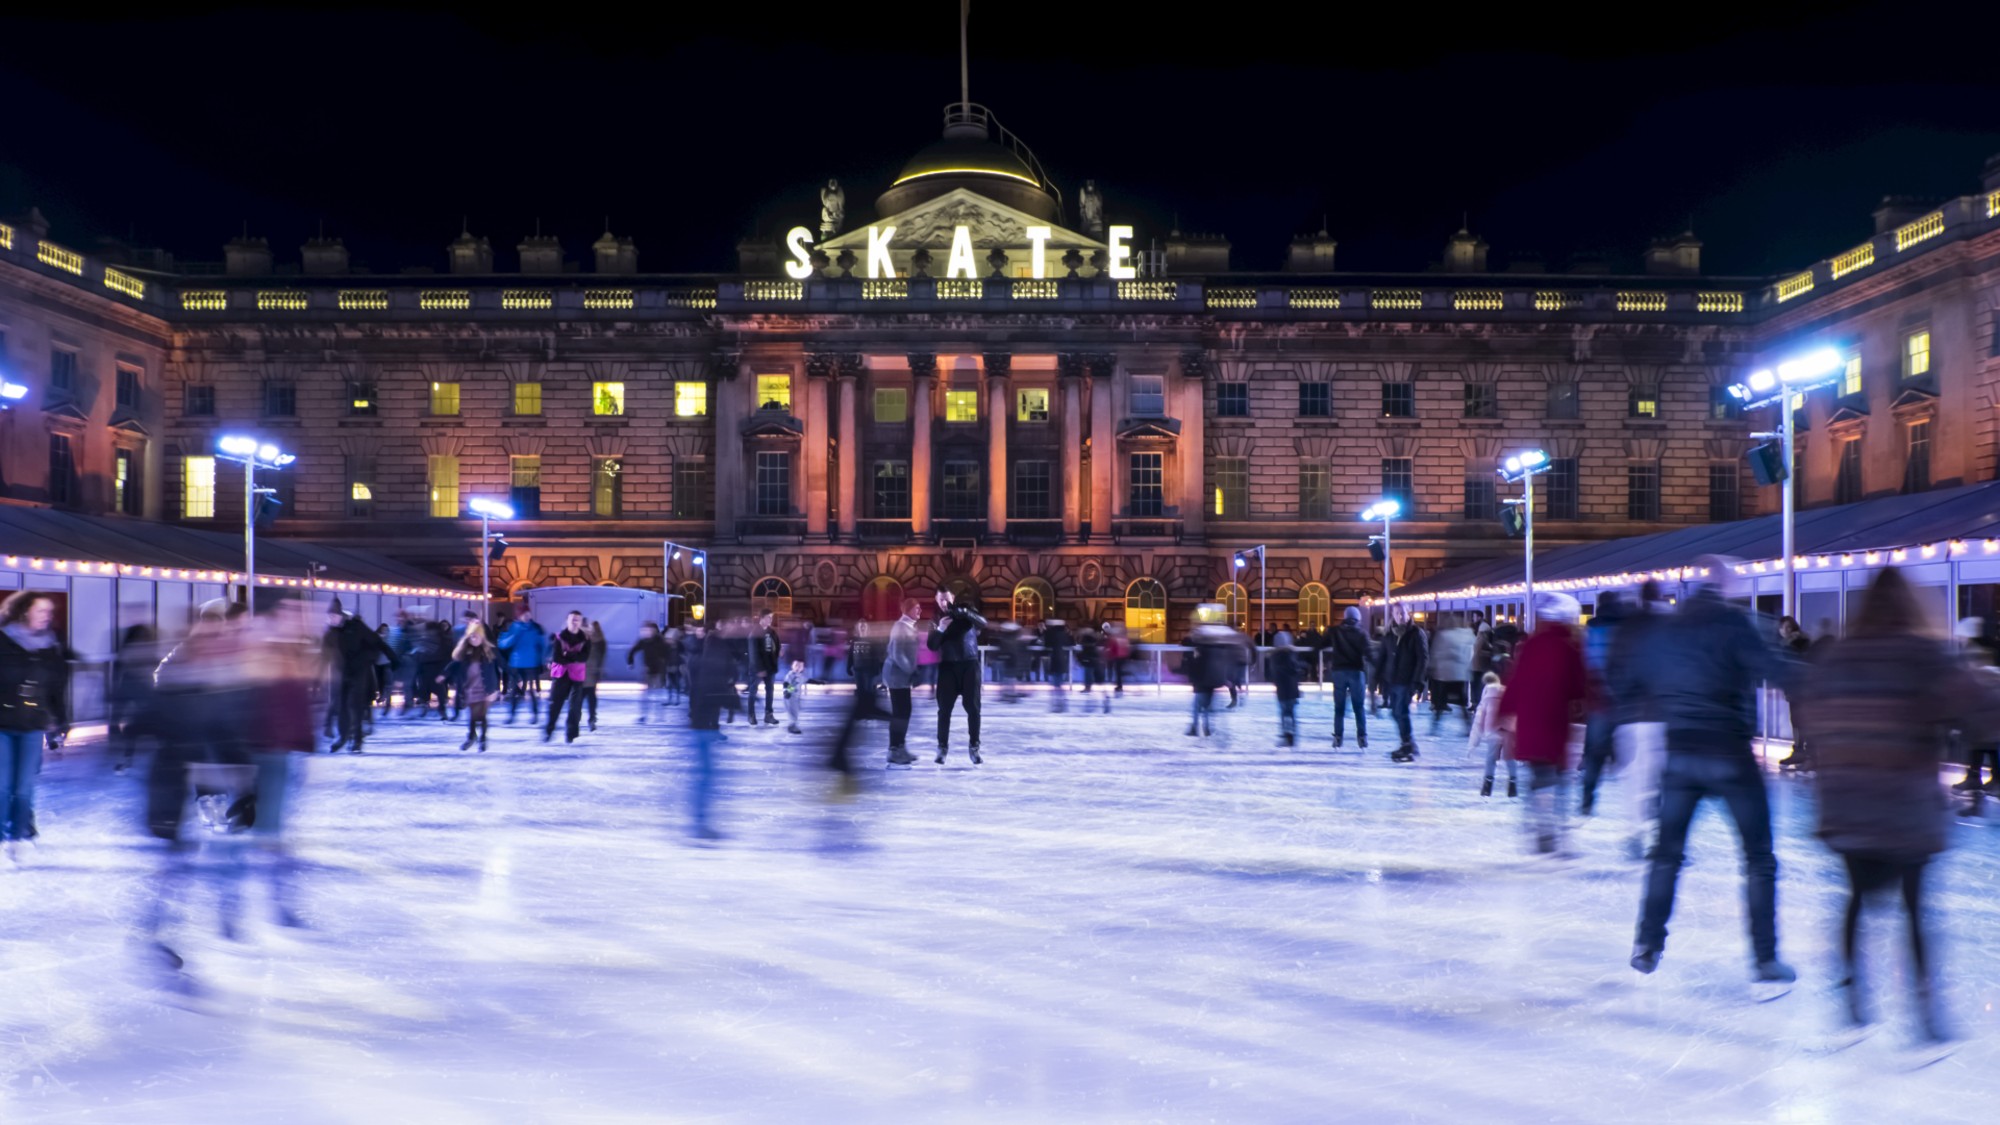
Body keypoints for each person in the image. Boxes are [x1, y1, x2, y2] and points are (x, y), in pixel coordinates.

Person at [1794, 568, 2000, 1050]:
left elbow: (1809, 712)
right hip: (1904, 807)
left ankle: (1851, 996)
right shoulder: (1923, 656)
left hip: (1846, 805)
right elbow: (1983, 716)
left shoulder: (1838, 657)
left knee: (1858, 898)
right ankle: (1925, 1013)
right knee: (1913, 907)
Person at [1629, 556, 1799, 994]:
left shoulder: (1667, 630)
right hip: (1727, 753)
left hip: (1680, 753)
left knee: (1666, 855)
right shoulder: (1733, 624)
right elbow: (1777, 671)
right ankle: (1764, 958)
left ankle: (1647, 944)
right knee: (1758, 858)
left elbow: (1636, 678)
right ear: (1724, 587)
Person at [1497, 594, 1589, 854]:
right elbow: (1577, 687)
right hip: (1556, 723)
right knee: (1559, 780)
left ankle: (1538, 827)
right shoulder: (1570, 647)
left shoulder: (1531, 645)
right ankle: (1554, 830)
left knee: (1539, 776)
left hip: (1531, 723)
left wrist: (1504, 712)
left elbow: (1515, 682)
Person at [1606, 580, 1672, 860]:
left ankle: (1636, 832)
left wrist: (1624, 698)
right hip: (1665, 715)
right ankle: (1661, 836)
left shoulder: (1627, 629)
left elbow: (1612, 670)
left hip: (1631, 717)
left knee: (1636, 778)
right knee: (1664, 778)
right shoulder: (1672, 627)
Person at [0, 592, 65, 859]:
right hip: (2, 723)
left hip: (33, 724)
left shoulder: (50, 647)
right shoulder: (3, 641)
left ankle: (18, 836)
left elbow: (57, 688)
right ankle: (3, 836)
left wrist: (61, 720)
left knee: (24, 787)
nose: (46, 617)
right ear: (25, 612)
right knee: (2, 786)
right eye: (41, 611)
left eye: (49, 612)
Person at [1577, 592, 1629, 815]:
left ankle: (1588, 797)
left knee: (1594, 752)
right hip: (1625, 697)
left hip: (1599, 698)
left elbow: (1585, 663)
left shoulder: (1591, 630)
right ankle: (1638, 803)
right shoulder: (1626, 630)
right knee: (1629, 750)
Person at [324, 600, 395, 753]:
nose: (331, 620)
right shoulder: (330, 633)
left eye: (333, 616)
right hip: (340, 675)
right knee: (341, 708)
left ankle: (357, 740)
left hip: (358, 674)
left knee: (355, 707)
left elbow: (376, 643)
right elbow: (324, 655)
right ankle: (342, 738)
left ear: (340, 615)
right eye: (329, 617)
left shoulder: (356, 627)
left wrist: (370, 660)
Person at [929, 589, 987, 763]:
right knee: (944, 710)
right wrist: (941, 629)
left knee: (974, 709)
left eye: (946, 599)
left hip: (969, 665)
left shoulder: (966, 608)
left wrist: (966, 612)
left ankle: (974, 747)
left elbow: (983, 623)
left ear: (953, 597)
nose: (944, 603)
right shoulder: (935, 619)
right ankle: (942, 748)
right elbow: (932, 645)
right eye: (941, 600)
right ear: (936, 601)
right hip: (948, 668)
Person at [1185, 612, 1249, 737]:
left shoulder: (1203, 649)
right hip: (1209, 681)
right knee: (1204, 706)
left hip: (1203, 681)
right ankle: (1204, 727)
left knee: (1198, 706)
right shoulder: (1215, 648)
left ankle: (1198, 727)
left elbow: (1198, 663)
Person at [1377, 607, 1429, 761]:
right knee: (1395, 712)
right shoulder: (1389, 634)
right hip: (1391, 680)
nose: (1399, 616)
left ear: (1408, 614)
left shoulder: (1416, 633)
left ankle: (1407, 745)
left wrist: (1418, 681)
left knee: (1401, 712)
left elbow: (1423, 659)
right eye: (1396, 613)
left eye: (1402, 612)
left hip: (1406, 680)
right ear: (1392, 615)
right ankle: (1409, 743)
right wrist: (1378, 679)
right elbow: (1382, 657)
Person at [443, 622, 502, 751]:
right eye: (471, 636)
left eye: (476, 636)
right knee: (473, 715)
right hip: (470, 688)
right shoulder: (465, 651)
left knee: (481, 715)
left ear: (481, 636)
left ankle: (481, 738)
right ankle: (472, 736)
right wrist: (444, 674)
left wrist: (517, 678)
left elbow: (503, 664)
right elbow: (455, 664)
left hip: (488, 688)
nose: (474, 639)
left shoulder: (490, 650)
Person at [882, 598, 922, 765]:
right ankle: (894, 750)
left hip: (902, 675)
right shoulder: (900, 626)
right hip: (896, 676)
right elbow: (897, 653)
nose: (919, 611)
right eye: (916, 608)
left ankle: (900, 747)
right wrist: (912, 671)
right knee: (900, 713)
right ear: (908, 610)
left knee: (904, 713)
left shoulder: (909, 626)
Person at [543, 611, 591, 744]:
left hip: (577, 677)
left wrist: (568, 655)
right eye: (572, 619)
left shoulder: (585, 639)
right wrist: (574, 657)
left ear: (581, 622)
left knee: (575, 707)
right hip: (560, 675)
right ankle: (549, 730)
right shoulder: (559, 637)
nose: (575, 622)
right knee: (555, 704)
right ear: (567, 621)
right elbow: (557, 657)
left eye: (577, 620)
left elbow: (585, 657)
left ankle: (571, 734)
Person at [1325, 606, 1369, 749]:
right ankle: (1362, 737)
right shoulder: (1362, 633)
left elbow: (1321, 644)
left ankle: (1338, 737)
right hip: (1357, 672)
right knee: (1359, 707)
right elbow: (1369, 652)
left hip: (1339, 672)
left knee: (1339, 708)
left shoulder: (1335, 631)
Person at [498, 608, 548, 724]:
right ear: (519, 616)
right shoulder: (515, 627)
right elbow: (503, 644)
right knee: (515, 691)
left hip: (531, 664)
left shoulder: (535, 628)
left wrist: (543, 659)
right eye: (524, 614)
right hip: (516, 664)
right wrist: (513, 637)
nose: (526, 616)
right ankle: (512, 715)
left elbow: (542, 644)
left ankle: (534, 714)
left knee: (531, 691)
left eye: (528, 613)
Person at [1427, 613, 1475, 734]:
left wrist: (1433, 666)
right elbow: (1470, 652)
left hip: (1445, 674)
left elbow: (1436, 653)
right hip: (1460, 674)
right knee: (1462, 702)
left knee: (1440, 701)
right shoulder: (1466, 635)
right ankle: (1468, 726)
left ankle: (1435, 726)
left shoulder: (1443, 635)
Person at [1776, 616, 1813, 770]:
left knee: (1801, 722)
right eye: (1783, 627)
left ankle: (1804, 753)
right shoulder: (1788, 644)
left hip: (1802, 690)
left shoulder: (1797, 643)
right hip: (1796, 690)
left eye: (1788, 627)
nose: (1786, 630)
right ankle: (1801, 752)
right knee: (1798, 722)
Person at [1470, 673, 1515, 796]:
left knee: (1491, 758)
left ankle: (1487, 786)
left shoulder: (1486, 697)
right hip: (1509, 731)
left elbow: (1478, 721)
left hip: (1493, 731)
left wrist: (1473, 744)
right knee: (1510, 758)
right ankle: (1513, 785)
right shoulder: (1509, 693)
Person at [629, 622, 673, 724]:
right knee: (646, 695)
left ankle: (659, 715)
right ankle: (644, 715)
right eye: (644, 631)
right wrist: (630, 662)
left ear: (653, 631)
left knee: (657, 693)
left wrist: (667, 664)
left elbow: (668, 652)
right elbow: (633, 650)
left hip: (658, 670)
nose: (645, 633)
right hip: (647, 670)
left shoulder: (660, 641)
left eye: (647, 630)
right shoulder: (643, 641)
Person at [1270, 630, 1301, 746]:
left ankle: (1286, 734)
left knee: (1284, 712)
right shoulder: (1292, 655)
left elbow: (1273, 674)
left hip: (1282, 690)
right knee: (1291, 712)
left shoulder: (1275, 657)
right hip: (1292, 690)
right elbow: (1296, 671)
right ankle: (1292, 734)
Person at [753, 613, 782, 726]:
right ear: (761, 618)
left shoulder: (772, 632)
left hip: (770, 667)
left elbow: (777, 645)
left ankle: (768, 714)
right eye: (768, 617)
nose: (770, 619)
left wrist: (777, 654)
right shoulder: (755, 632)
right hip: (759, 668)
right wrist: (759, 667)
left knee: (770, 691)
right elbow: (754, 652)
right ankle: (752, 714)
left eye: (771, 617)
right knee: (753, 690)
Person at [1043, 618, 1073, 713]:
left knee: (1056, 684)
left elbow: (1046, 644)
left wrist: (1045, 632)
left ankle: (1057, 704)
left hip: (1055, 658)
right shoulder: (1063, 634)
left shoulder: (1051, 634)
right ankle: (1061, 703)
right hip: (1061, 659)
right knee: (1059, 683)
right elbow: (1071, 642)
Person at [584, 620, 608, 732]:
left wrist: (599, 670)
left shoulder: (599, 642)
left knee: (589, 695)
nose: (590, 630)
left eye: (591, 628)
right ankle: (591, 718)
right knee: (587, 696)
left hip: (591, 672)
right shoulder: (584, 639)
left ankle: (591, 718)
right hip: (582, 671)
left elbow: (601, 658)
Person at [783, 659, 807, 734]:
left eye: (800, 666)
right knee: (792, 712)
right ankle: (791, 726)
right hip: (790, 697)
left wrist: (818, 682)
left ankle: (794, 724)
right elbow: (786, 684)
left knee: (796, 711)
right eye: (796, 665)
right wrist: (787, 692)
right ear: (792, 666)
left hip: (797, 697)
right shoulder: (790, 675)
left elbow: (806, 680)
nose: (798, 668)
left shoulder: (800, 676)